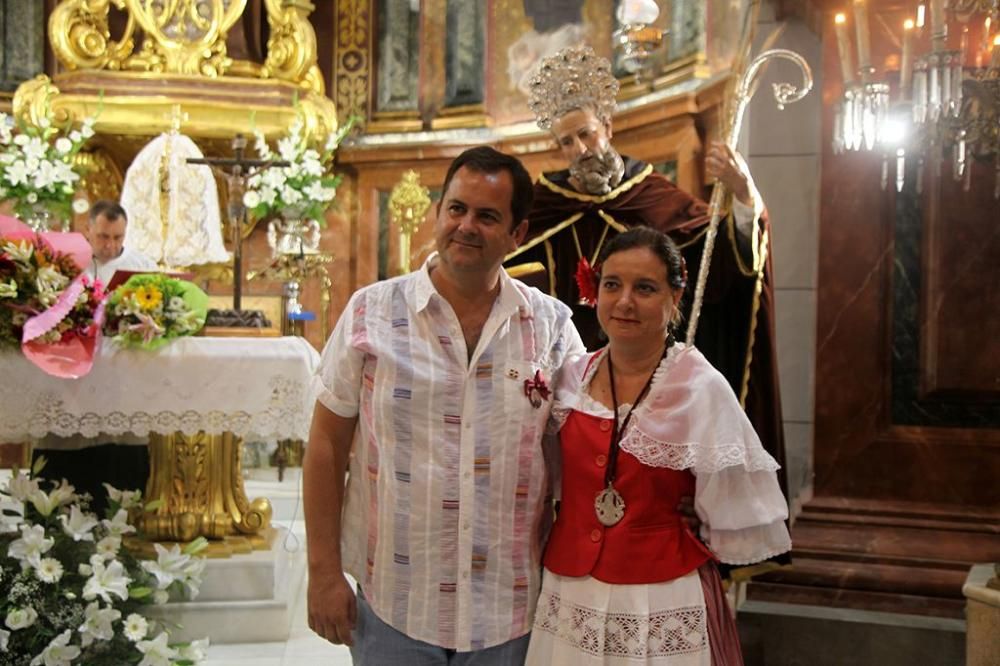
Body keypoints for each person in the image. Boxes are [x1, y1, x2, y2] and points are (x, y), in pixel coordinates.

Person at [304, 146, 586, 663]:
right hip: (394, 604)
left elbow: (587, 445)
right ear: (438, 213)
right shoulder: (371, 312)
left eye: (487, 216)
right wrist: (323, 572)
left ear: (517, 233)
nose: (466, 226)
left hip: (511, 609)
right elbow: (325, 443)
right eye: (456, 209)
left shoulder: (551, 327)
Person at [507, 45, 787, 504]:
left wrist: (743, 197)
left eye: (586, 134)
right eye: (566, 142)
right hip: (567, 386)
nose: (579, 150)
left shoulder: (653, 196)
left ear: (608, 128)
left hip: (647, 382)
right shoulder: (544, 205)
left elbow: (717, 262)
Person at [526, 227, 791, 665]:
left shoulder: (700, 387)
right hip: (571, 590)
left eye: (645, 288)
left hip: (662, 594)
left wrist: (698, 519)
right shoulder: (570, 378)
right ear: (595, 292)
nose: (625, 301)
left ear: (674, 298)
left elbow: (733, 510)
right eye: (612, 285)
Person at [83, 200, 156, 286]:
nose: (110, 245)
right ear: (88, 229)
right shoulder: (73, 266)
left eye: (117, 237)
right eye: (104, 236)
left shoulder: (144, 266)